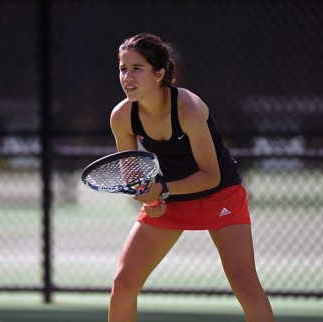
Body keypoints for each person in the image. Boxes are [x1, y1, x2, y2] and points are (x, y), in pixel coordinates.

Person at [108, 33, 274, 322]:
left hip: (220, 194)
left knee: (245, 285)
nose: (127, 77)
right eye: (123, 68)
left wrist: (162, 190)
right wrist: (149, 199)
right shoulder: (121, 117)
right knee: (123, 283)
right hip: (170, 198)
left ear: (159, 74)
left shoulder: (188, 107)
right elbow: (134, 176)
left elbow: (211, 176)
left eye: (137, 69)